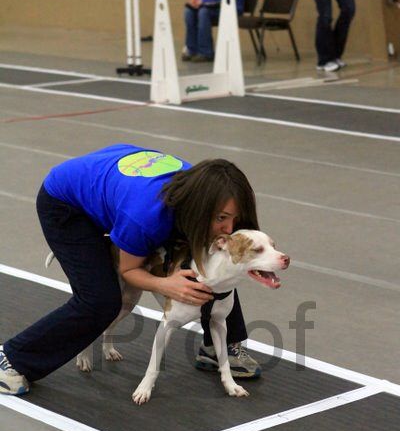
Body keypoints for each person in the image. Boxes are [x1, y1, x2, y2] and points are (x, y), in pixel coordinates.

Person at [0, 144, 261, 396]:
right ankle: (12, 358)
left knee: (218, 263)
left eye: (234, 218)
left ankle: (218, 347)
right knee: (100, 301)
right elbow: (129, 270)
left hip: (112, 179)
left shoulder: (211, 191)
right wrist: (165, 284)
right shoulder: (146, 217)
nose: (229, 228)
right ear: (200, 208)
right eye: (221, 218)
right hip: (65, 205)